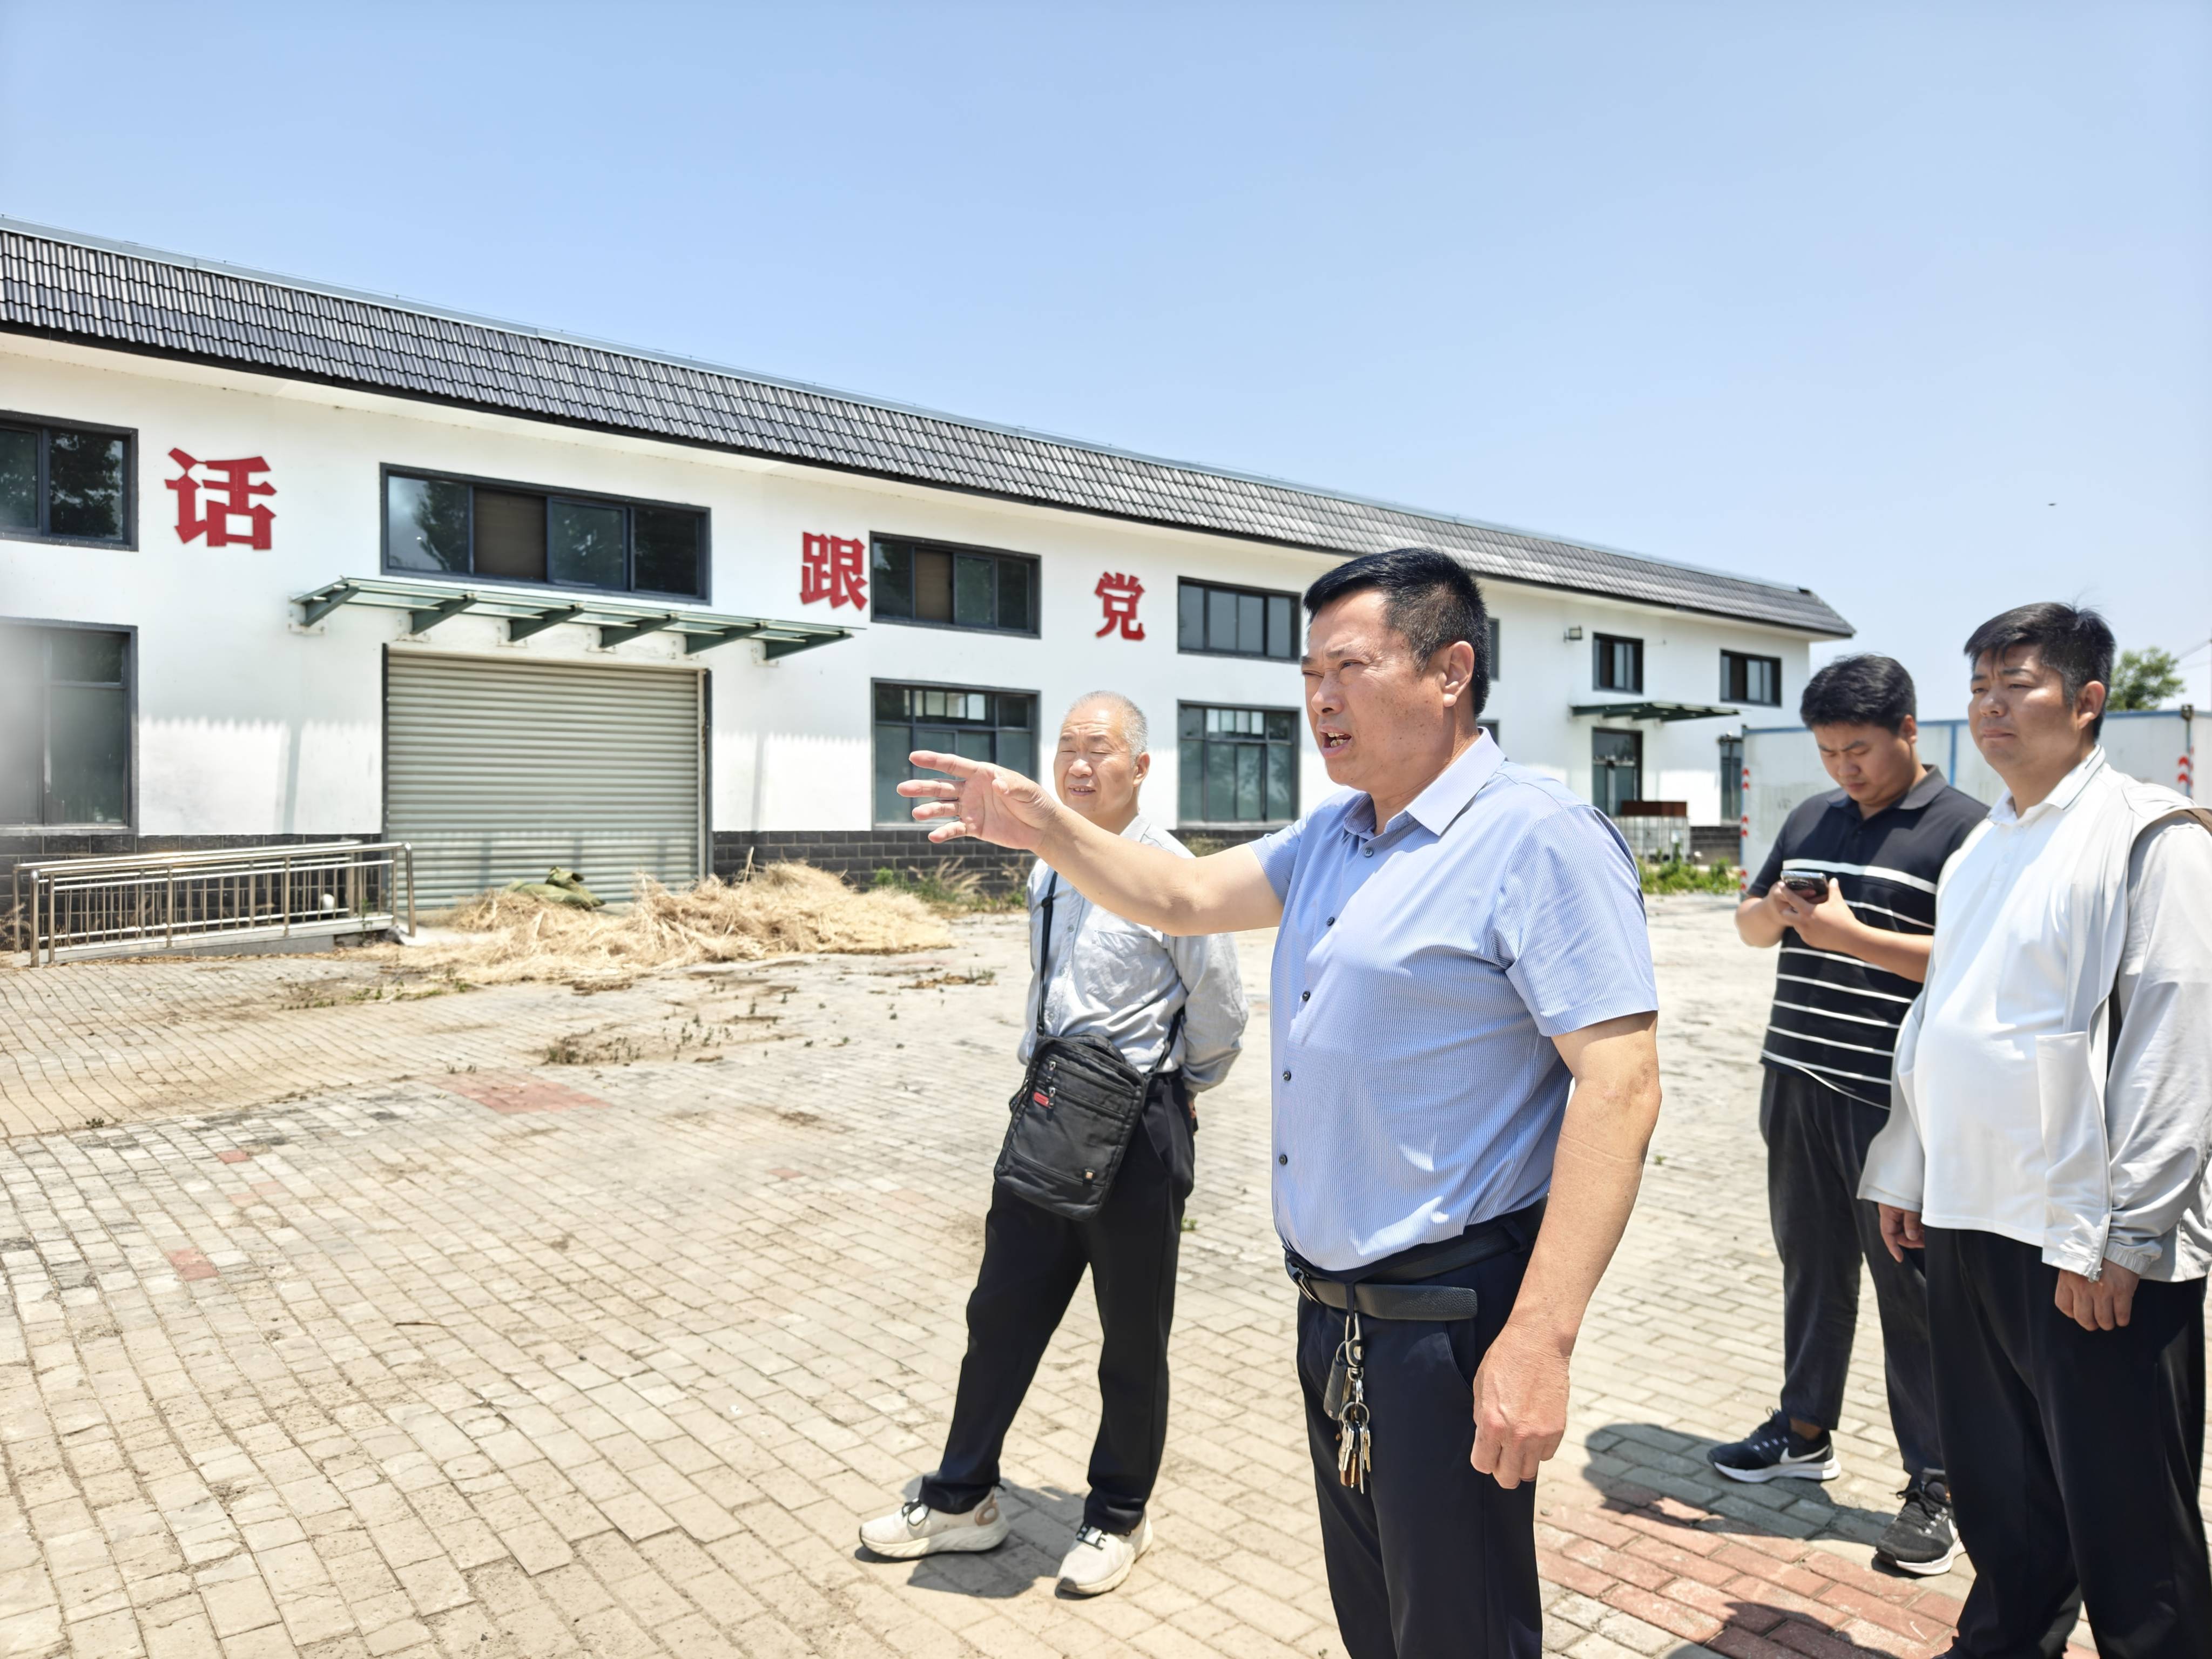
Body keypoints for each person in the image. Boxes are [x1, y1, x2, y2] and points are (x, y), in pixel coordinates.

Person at [899, 547, 1662, 1658]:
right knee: (1377, 1623)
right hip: (1337, 1316)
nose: (1320, 699)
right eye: (1310, 674)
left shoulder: (1535, 837)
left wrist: (1540, 1340)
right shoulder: (1334, 834)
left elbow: (1621, 1084)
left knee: (1458, 1630)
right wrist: (1046, 827)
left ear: (1450, 672)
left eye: (1349, 668)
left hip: (1450, 1320)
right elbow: (1180, 894)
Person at [1860, 603, 2212, 1657]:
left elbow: (2177, 1045)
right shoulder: (1983, 848)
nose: (1989, 707)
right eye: (1977, 688)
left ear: (2088, 700)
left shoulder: (2150, 839)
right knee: (2001, 1492)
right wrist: (1908, 1165)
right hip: (1972, 1214)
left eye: (2015, 685)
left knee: (2130, 1520)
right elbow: (1941, 1017)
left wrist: (2126, 1237)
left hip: (2085, 1240)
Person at [858, 691, 1248, 1597]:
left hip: (1139, 1126)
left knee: (1132, 1339)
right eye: (1068, 746)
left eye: (1099, 749)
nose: (1079, 764)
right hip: (1047, 1114)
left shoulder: (1171, 872)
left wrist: (1177, 1093)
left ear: (1139, 768)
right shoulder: (1050, 864)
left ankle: (1119, 1515)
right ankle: (962, 1500)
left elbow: (1222, 1012)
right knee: (999, 1315)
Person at [1714, 656, 1985, 1575]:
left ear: (1909, 729)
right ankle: (1803, 1430)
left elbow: (1973, 964)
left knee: (1914, 1296)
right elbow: (1749, 926)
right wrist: (1777, 913)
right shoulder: (1811, 817)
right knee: (1811, 1268)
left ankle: (1939, 1482)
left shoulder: (1966, 831)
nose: (1845, 769)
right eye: (1829, 752)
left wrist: (1848, 936)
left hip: (1894, 1104)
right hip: (1795, 1077)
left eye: (1859, 749)